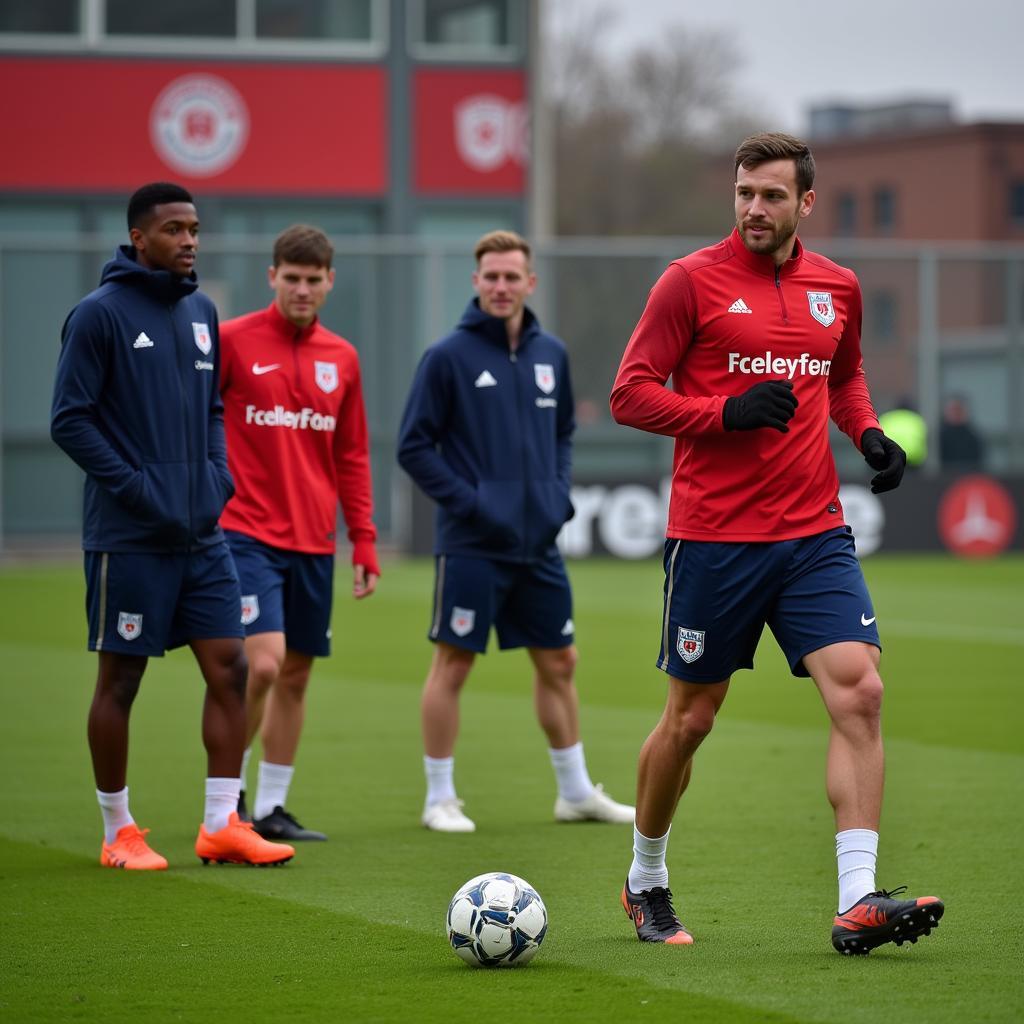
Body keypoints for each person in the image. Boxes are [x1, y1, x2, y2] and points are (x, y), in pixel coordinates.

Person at [610, 133, 944, 953]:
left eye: (770, 196)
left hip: (813, 535)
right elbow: (629, 394)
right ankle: (645, 877)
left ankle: (859, 899)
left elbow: (845, 374)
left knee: (860, 692)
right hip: (715, 539)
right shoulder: (689, 282)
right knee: (691, 720)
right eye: (743, 194)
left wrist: (866, 434)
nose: (754, 209)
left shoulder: (839, 285)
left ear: (805, 203)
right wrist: (722, 413)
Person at [50, 182, 294, 869]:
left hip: (202, 534)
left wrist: (218, 477)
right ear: (139, 239)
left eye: (194, 228)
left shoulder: (201, 310)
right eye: (174, 230)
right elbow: (69, 418)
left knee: (232, 667)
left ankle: (222, 822)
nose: (189, 240)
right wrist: (135, 487)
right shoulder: (98, 316)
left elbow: (212, 407)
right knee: (121, 680)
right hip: (128, 538)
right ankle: (117, 831)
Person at [396, 230, 634, 833]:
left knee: (560, 661)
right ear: (476, 283)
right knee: (453, 665)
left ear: (530, 283)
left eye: (512, 277)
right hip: (473, 544)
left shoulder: (550, 353)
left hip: (539, 543)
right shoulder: (446, 357)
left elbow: (561, 436)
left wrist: (557, 496)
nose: (502, 287)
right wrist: (472, 503)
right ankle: (438, 798)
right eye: (491, 277)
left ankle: (575, 792)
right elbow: (414, 447)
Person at [219, 224, 379, 842]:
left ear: (330, 281)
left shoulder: (343, 357)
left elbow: (352, 453)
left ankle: (272, 807)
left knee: (296, 675)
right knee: (262, 665)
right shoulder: (233, 342)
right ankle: (225, 802)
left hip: (314, 540)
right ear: (272, 277)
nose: (303, 289)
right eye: (292, 278)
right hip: (244, 532)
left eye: (314, 280)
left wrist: (362, 537)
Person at [939, 394, 985, 469]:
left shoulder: (973, 438)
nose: (956, 413)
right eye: (953, 410)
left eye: (959, 410)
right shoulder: (939, 437)